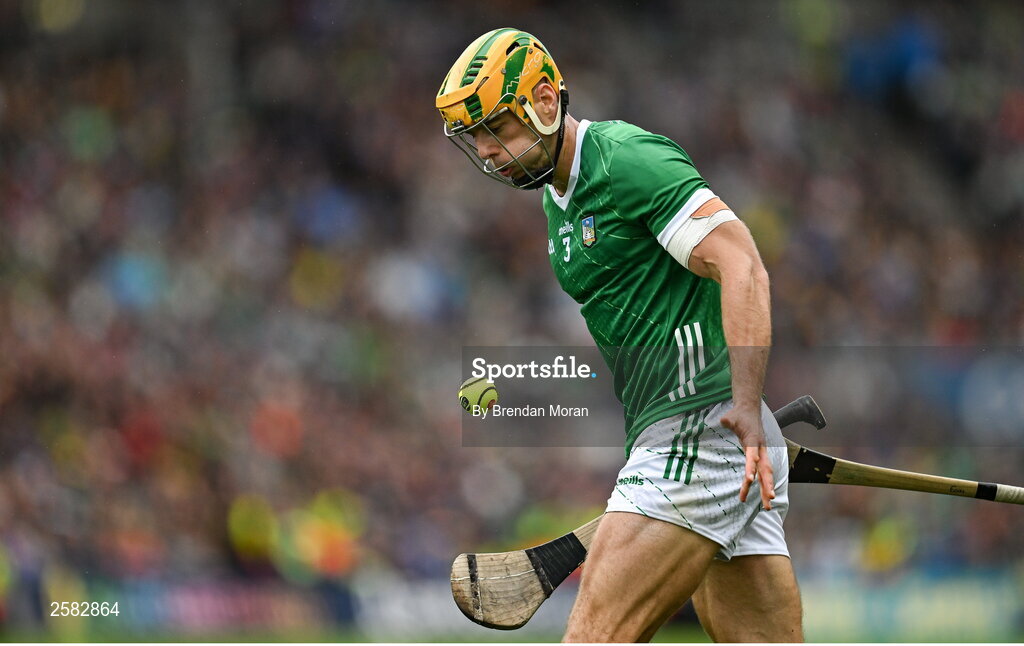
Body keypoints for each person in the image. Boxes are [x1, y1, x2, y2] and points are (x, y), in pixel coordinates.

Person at [436, 28, 802, 642]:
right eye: (475, 140)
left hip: (697, 426)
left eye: (496, 128)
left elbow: (741, 264)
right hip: (690, 436)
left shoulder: (627, 159)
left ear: (546, 102)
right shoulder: (558, 200)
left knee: (593, 637)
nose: (489, 152)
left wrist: (742, 405)